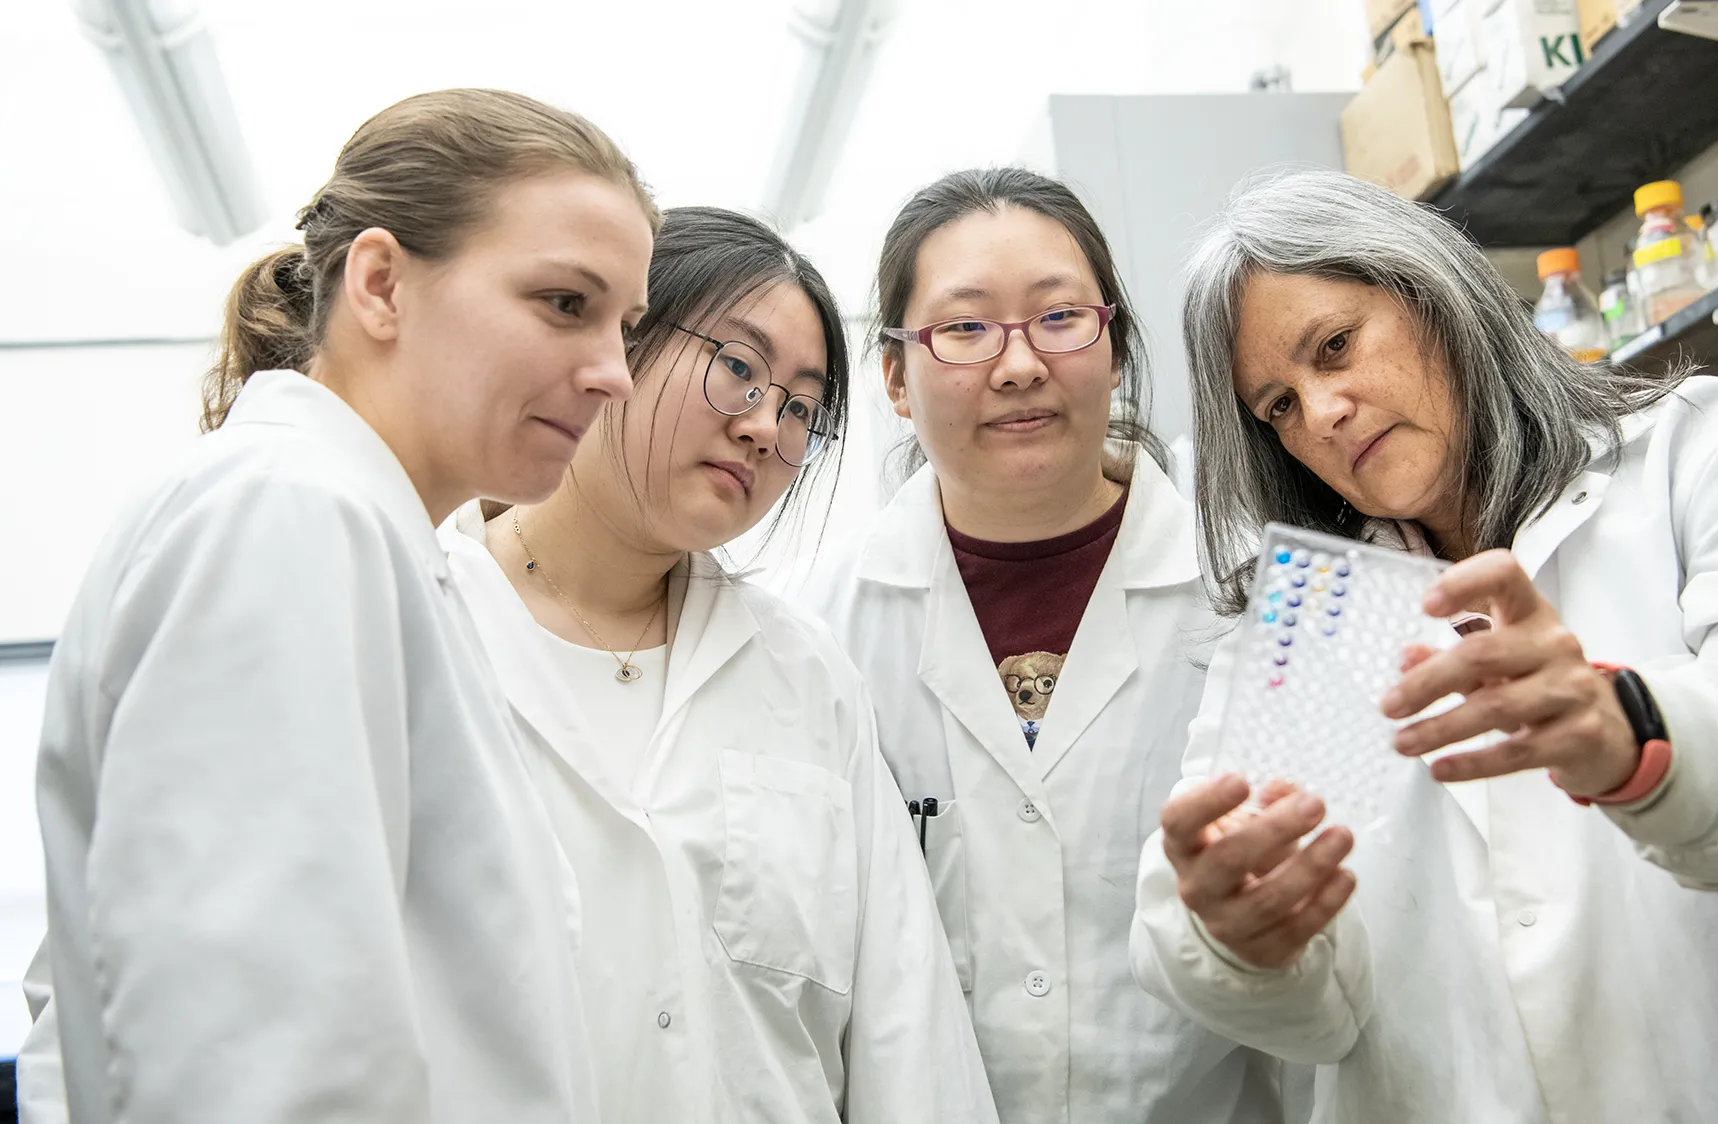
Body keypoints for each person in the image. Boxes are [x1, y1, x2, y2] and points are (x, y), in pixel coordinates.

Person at [1129, 168, 1718, 1122]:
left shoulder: (1704, 455)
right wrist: (1241, 939)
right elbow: (1315, 1011)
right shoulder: (1317, 623)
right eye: (1280, 407)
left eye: (1336, 346)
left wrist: (1644, 738)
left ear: (1435, 294)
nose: (1323, 413)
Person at [23, 89, 658, 1123]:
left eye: (624, 324)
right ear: (379, 284)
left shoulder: (366, 535)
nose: (612, 373)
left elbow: (86, 990)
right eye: (563, 303)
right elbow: (252, 1061)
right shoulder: (288, 515)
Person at [438, 206, 996, 1123]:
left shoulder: (806, 676)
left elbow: (907, 1022)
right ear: (622, 341)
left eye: (801, 407)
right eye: (738, 369)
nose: (766, 427)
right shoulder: (425, 622)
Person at [802, 168, 1293, 1123]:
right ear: (897, 377)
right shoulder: (817, 621)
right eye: (965, 327)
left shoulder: (1252, 579)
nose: (1018, 364)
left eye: (1060, 318)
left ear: (1114, 350)